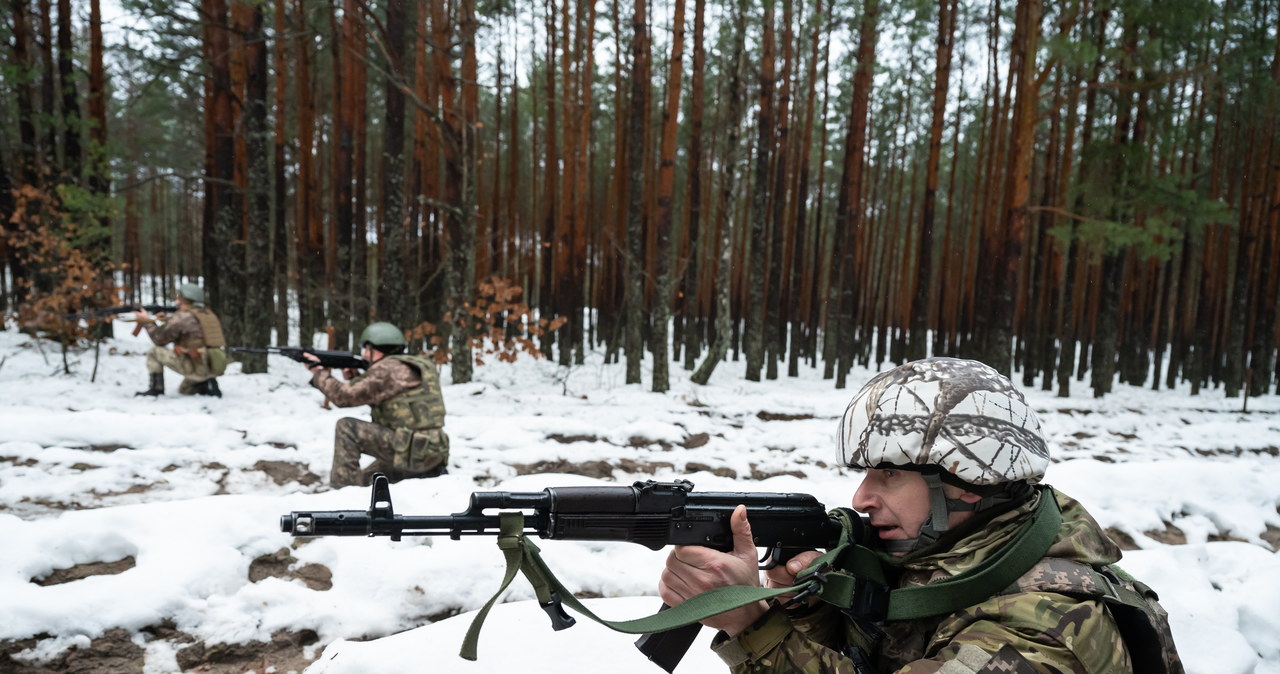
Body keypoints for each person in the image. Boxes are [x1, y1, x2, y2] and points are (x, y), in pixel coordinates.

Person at [658, 357, 1181, 673]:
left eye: (888, 474)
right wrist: (809, 612)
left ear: (967, 481)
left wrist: (754, 627)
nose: (861, 498)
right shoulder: (957, 562)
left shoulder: (1038, 629)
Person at [304, 322, 449, 489]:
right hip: (430, 451)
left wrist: (318, 373)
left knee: (346, 428)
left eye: (368, 349)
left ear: (381, 349)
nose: (364, 355)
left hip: (411, 450)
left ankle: (342, 499)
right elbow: (382, 393)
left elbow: (343, 397)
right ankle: (426, 475)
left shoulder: (388, 368)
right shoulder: (412, 364)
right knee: (366, 482)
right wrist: (355, 378)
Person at [135, 283, 225, 398]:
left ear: (188, 300)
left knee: (154, 351)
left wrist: (146, 321)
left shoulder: (182, 316)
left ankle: (156, 389)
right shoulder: (208, 314)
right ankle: (205, 383)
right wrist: (166, 320)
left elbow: (159, 339)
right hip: (212, 364)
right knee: (184, 390)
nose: (177, 302)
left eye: (180, 299)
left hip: (195, 364)